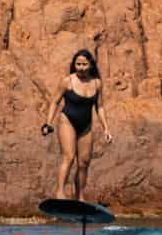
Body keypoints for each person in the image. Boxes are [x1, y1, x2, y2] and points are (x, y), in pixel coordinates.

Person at [42, 48, 113, 200]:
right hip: (67, 120)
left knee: (84, 162)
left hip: (86, 125)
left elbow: (99, 106)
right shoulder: (67, 82)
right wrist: (48, 123)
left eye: (84, 64)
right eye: (78, 64)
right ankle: (60, 193)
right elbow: (55, 102)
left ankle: (79, 196)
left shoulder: (97, 83)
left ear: (91, 65)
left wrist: (106, 128)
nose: (81, 67)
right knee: (69, 157)